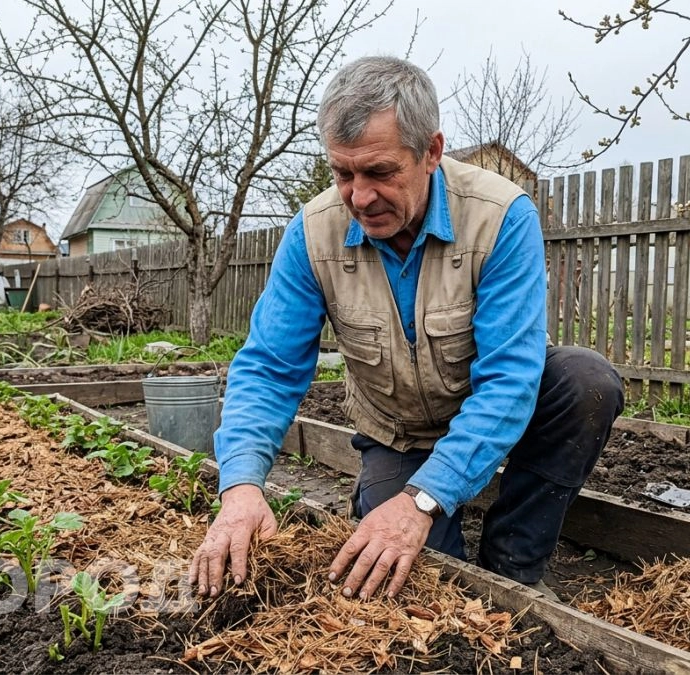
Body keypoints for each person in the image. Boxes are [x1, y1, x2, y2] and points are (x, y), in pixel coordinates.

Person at [188, 55, 623, 602]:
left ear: (432, 153)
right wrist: (243, 486)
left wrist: (424, 500)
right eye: (343, 173)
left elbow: (511, 378)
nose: (360, 197)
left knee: (586, 381)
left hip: (489, 413)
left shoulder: (499, 217)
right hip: (401, 434)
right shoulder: (313, 234)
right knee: (410, 579)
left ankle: (514, 563)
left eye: (380, 172)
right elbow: (270, 369)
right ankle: (403, 500)